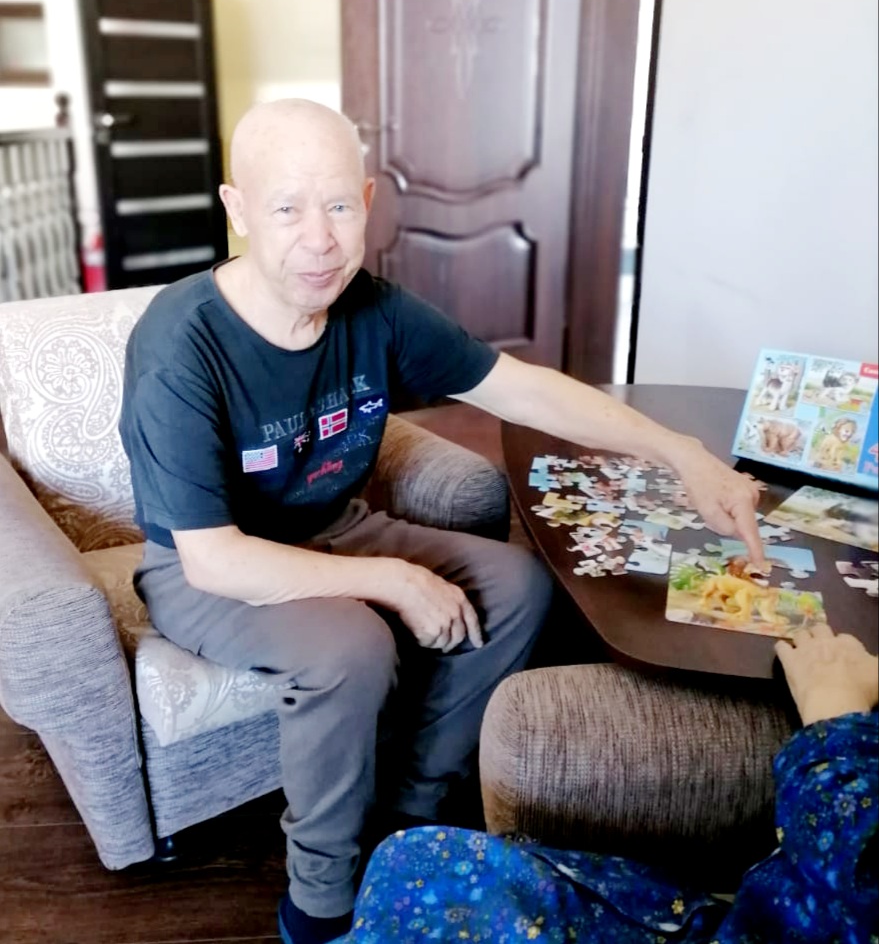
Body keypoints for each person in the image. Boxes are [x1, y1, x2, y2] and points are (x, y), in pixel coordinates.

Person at [119, 99, 764, 944]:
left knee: (518, 584)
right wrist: (394, 579)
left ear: (368, 202)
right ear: (237, 210)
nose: (319, 240)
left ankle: (410, 811)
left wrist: (681, 453)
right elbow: (212, 559)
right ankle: (319, 897)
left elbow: (522, 389)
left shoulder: (375, 310)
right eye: (286, 209)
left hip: (333, 525)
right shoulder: (180, 343)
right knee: (349, 646)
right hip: (208, 564)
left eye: (338, 206)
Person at [341, 625, 879, 943]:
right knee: (409, 860)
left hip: (804, 898)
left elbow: (857, 862)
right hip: (765, 916)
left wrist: (835, 715)